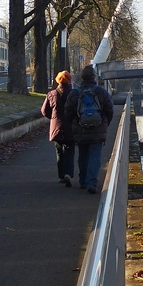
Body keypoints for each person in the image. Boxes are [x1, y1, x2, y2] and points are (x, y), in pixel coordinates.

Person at [63, 64, 114, 194]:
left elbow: (68, 111)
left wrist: (75, 123)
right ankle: (92, 182)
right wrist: (105, 124)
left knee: (83, 155)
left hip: (81, 130)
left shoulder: (75, 93)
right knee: (95, 156)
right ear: (94, 77)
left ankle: (83, 181)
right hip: (98, 129)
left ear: (82, 77)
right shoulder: (102, 93)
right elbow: (109, 110)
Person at [41, 70, 76, 187]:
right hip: (71, 127)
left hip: (56, 127)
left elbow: (44, 110)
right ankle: (68, 173)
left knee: (59, 151)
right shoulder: (74, 93)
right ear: (69, 80)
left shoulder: (52, 94)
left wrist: (53, 118)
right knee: (70, 150)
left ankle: (61, 175)